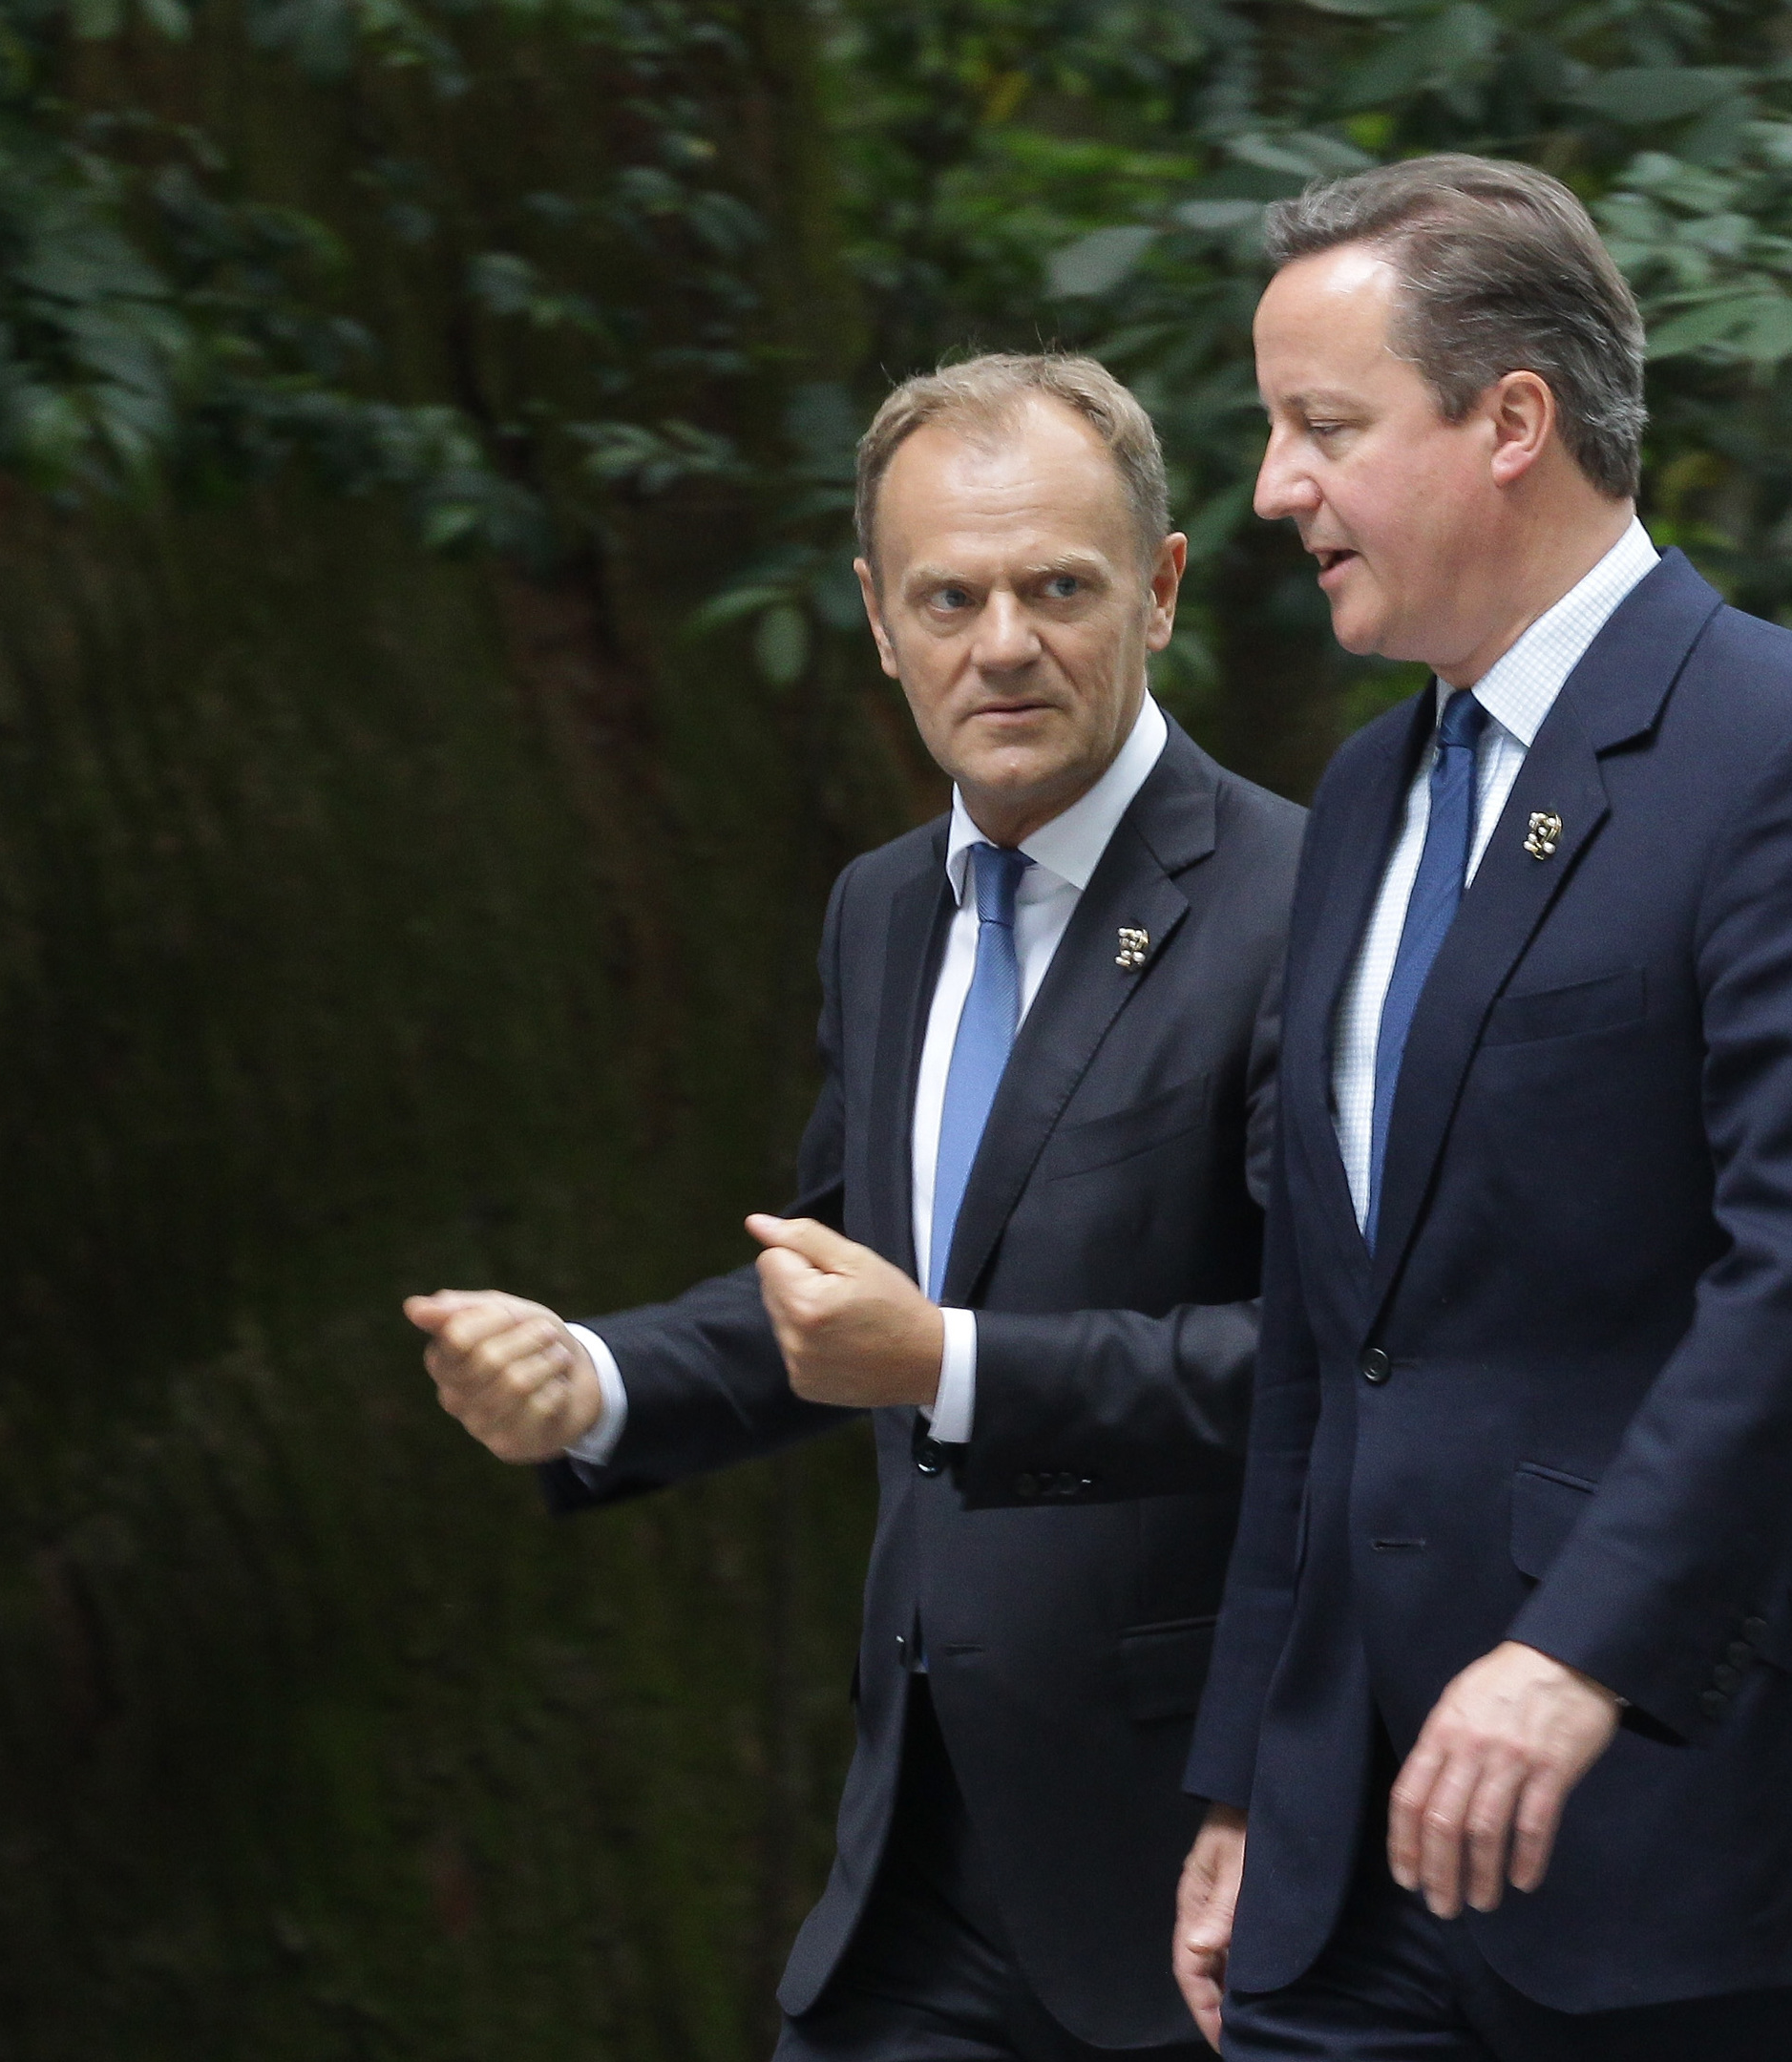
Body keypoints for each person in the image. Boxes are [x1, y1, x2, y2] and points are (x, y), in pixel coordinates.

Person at [1169, 157, 1792, 2061]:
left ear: (1510, 422)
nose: (1279, 488)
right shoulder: (1369, 794)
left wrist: (1576, 1653)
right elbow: (1327, 1327)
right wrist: (1245, 1781)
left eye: (1324, 428)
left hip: (1711, 1850)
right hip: (1356, 1867)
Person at [402, 352, 1305, 2062]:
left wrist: (951, 1361)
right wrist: (590, 1378)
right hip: (919, 1860)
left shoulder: (1303, 906)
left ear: (1163, 590)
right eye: (948, 598)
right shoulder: (884, 911)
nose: (1004, 644)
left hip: (1195, 1864)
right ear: (878, 622)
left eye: (1059, 588)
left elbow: (1318, 1378)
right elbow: (841, 1294)